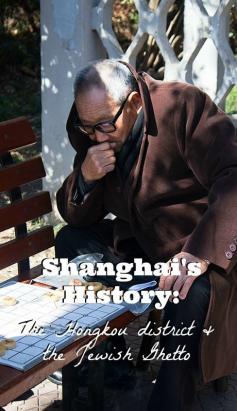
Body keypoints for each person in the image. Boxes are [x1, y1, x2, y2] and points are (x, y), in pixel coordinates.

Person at [56, 59, 237, 411]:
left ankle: (170, 400)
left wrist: (198, 253)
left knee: (189, 289)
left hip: (197, 247)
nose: (97, 136)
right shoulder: (93, 126)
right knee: (70, 241)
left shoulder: (183, 105)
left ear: (135, 102)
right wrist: (86, 178)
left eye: (106, 124)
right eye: (88, 127)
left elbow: (234, 175)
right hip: (143, 246)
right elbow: (75, 214)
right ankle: (113, 361)